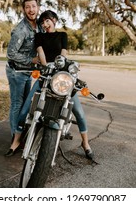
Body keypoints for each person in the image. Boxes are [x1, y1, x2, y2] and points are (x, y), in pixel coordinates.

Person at [15, 10, 93, 159]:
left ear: (54, 20)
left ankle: (85, 143)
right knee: (25, 108)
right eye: (43, 22)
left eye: (47, 21)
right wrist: (46, 67)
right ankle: (16, 141)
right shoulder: (39, 36)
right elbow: (41, 53)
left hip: (61, 72)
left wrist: (59, 67)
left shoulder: (62, 35)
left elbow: (63, 54)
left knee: (79, 113)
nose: (45, 24)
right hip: (46, 71)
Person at [5, 0, 41, 157]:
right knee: (18, 104)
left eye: (33, 6)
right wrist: (31, 59)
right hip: (16, 72)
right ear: (24, 9)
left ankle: (21, 133)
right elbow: (11, 53)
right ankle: (15, 138)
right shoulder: (21, 29)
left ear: (37, 7)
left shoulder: (38, 26)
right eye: (27, 7)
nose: (31, 9)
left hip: (27, 71)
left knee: (27, 104)